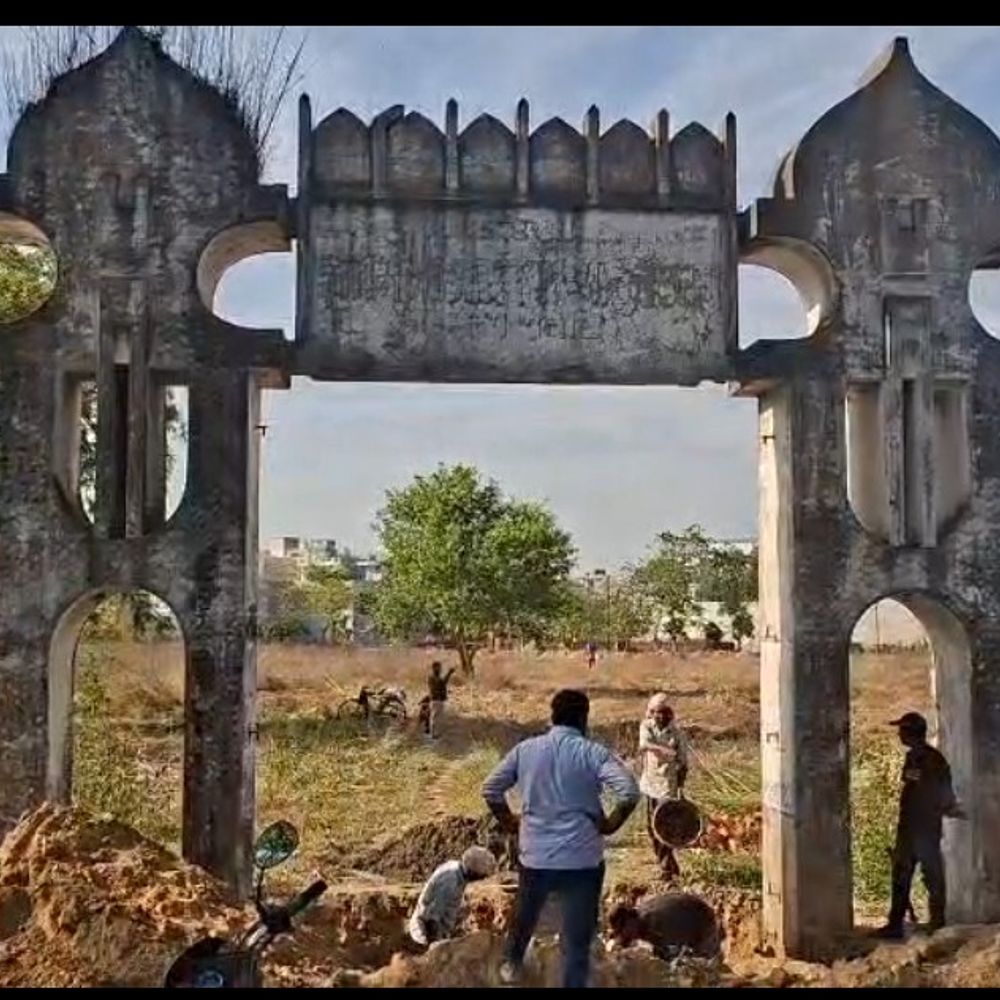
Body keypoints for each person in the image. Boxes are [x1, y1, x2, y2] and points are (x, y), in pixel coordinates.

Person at [481, 689, 640, 989]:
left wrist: (510, 822)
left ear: (552, 716)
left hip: (536, 857)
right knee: (577, 941)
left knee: (525, 917)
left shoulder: (526, 750)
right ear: (584, 718)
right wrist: (609, 824)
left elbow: (491, 789)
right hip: (582, 860)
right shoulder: (593, 753)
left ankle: (511, 966)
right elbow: (629, 792)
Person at [875, 711, 964, 940]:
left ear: (910, 733)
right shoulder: (920, 757)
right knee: (903, 876)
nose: (899, 734)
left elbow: (935, 791)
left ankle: (936, 923)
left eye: (902, 730)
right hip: (912, 827)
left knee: (930, 875)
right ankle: (897, 924)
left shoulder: (929, 759)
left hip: (923, 827)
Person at [638, 693, 689, 879]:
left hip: (668, 786)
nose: (660, 716)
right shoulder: (646, 727)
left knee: (663, 828)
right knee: (651, 829)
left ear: (670, 714)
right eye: (656, 712)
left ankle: (667, 868)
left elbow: (683, 764)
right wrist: (665, 750)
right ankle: (667, 863)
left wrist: (681, 789)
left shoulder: (678, 734)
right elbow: (644, 744)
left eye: (664, 712)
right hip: (650, 783)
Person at [407, 846, 498, 947]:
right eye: (481, 876)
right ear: (472, 872)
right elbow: (433, 918)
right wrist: (434, 946)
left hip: (440, 931)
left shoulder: (457, 870)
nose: (481, 879)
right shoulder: (450, 881)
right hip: (425, 935)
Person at [607, 892, 720, 961]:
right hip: (689, 915)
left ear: (630, 921)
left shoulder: (655, 924)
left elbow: (672, 954)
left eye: (622, 930)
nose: (622, 935)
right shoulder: (640, 917)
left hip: (704, 923)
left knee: (704, 968)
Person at [427, 660, 456, 739]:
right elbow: (441, 683)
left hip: (439, 700)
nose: (440, 669)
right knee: (435, 717)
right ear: (435, 668)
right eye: (439, 668)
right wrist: (449, 673)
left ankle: (436, 733)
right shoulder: (432, 677)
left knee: (438, 717)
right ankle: (433, 734)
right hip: (436, 699)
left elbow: (442, 683)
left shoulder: (435, 677)